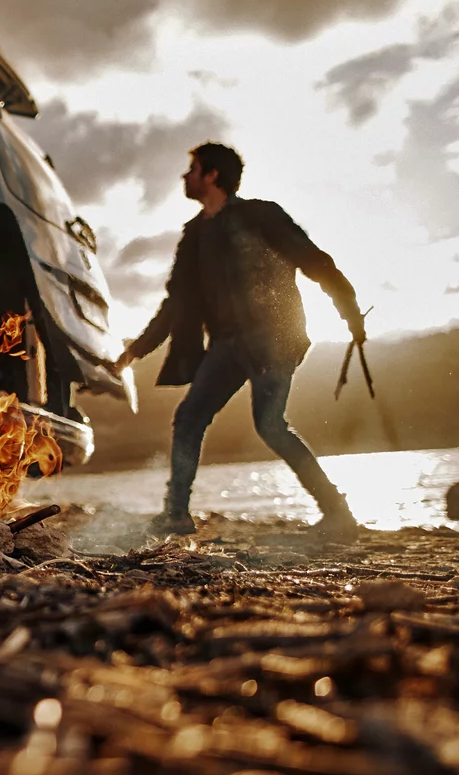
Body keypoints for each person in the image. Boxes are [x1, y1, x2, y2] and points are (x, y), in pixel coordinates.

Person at [113, 142, 366, 542]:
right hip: (227, 345)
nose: (185, 176)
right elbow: (175, 302)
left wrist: (348, 310)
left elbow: (311, 258)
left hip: (275, 339)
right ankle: (176, 514)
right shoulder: (194, 235)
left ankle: (337, 512)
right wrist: (134, 350)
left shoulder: (259, 215)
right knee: (190, 417)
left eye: (192, 168)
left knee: (270, 425)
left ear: (212, 175)